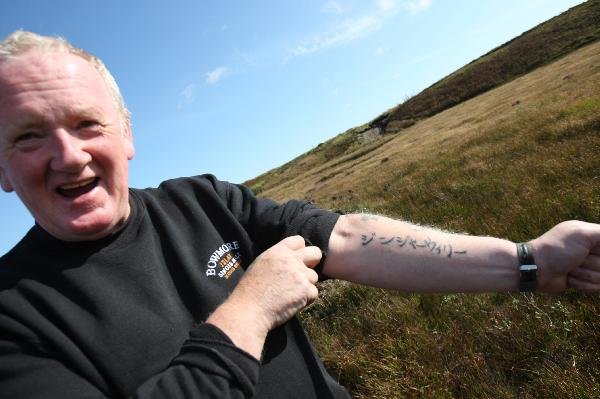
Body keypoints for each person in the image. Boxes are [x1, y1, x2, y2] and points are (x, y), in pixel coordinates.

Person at [0, 30, 598, 399]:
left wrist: (528, 261)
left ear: (126, 134)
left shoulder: (201, 202)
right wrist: (248, 312)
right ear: (2, 169)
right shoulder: (13, 319)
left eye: (88, 124)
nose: (68, 155)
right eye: (29, 137)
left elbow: (350, 238)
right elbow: (252, 309)